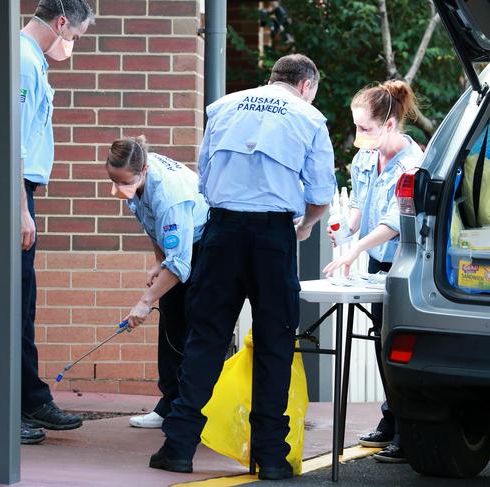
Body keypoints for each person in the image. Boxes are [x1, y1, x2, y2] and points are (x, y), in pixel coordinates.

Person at [148, 54, 336, 480]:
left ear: (272, 77)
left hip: (222, 232)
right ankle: (270, 455)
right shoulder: (309, 118)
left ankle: (177, 446)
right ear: (307, 85)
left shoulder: (225, 106)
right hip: (272, 237)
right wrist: (304, 227)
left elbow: (205, 175)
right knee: (274, 343)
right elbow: (321, 193)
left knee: (206, 338)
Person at [0, 0, 95, 445]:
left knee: (20, 300)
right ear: (60, 23)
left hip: (8, 188)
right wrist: (18, 208)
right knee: (5, 303)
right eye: (75, 36)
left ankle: (28, 398)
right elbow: (6, 136)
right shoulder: (18, 60)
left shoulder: (25, 59)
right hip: (2, 189)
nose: (72, 45)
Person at [323, 80, 424, 463]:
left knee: (397, 346)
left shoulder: (413, 163)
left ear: (391, 124)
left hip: (408, 262)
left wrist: (354, 251)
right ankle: (392, 418)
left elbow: (394, 222)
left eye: (365, 129)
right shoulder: (365, 160)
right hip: (378, 263)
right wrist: (341, 227)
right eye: (356, 127)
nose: (357, 137)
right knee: (382, 345)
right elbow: (359, 214)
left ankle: (406, 430)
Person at [105, 136, 209, 429]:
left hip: (205, 244)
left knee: (191, 324)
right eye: (113, 180)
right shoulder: (135, 173)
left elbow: (180, 263)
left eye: (123, 182)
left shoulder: (170, 195)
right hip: (178, 250)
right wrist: (158, 261)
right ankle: (168, 404)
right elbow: (153, 227)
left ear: (145, 170)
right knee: (171, 321)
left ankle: (189, 409)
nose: (117, 189)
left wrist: (144, 302)